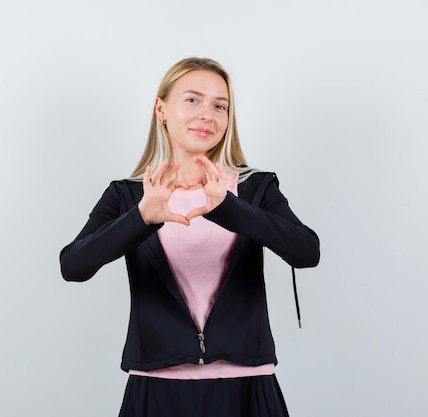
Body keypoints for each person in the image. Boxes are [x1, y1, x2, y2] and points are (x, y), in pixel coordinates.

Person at [59, 57, 320, 417]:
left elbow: (306, 251)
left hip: (248, 386)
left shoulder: (255, 187)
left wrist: (230, 209)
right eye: (193, 100)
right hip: (156, 387)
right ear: (161, 108)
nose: (207, 115)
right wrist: (141, 219)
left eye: (220, 106)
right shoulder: (128, 195)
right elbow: (73, 265)